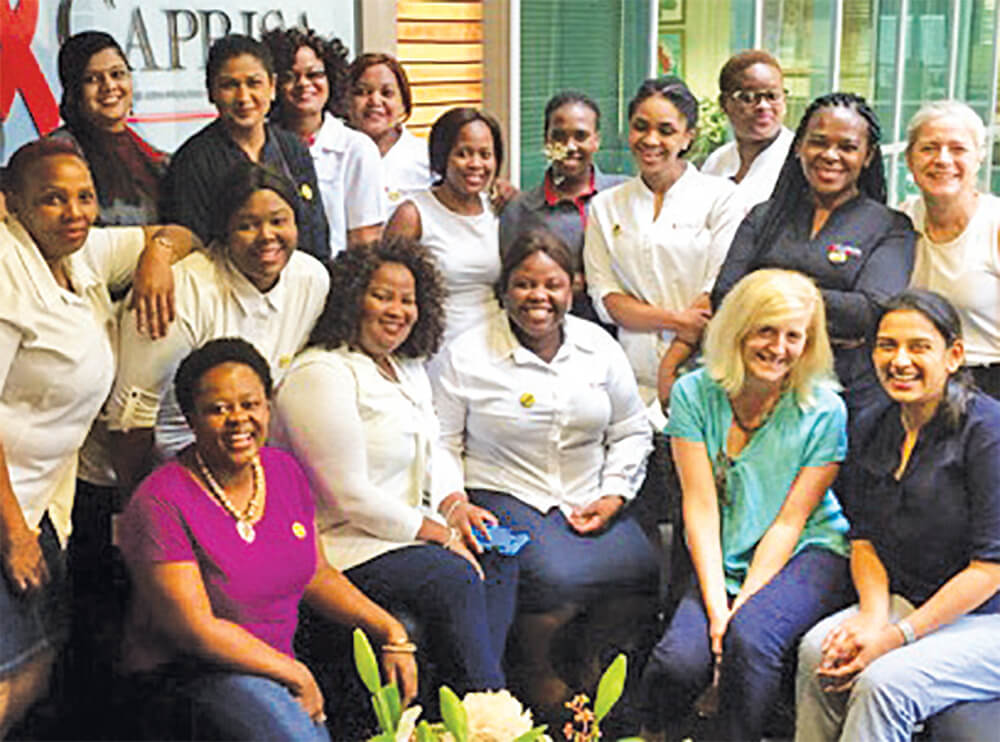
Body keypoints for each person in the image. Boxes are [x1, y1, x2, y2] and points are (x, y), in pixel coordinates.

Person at [114, 338, 417, 741]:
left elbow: (316, 573)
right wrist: (293, 672)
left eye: (249, 404)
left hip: (272, 664)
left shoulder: (282, 470)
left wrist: (391, 631)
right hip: (192, 674)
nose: (238, 419)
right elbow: (194, 629)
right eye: (218, 409)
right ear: (190, 418)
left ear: (268, 406)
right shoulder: (160, 500)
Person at [0, 138, 192, 736]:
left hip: (43, 500)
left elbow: (178, 231)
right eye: (52, 200)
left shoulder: (81, 256)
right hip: (11, 508)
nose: (74, 212)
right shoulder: (7, 271)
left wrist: (156, 255)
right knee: (13, 676)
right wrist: (13, 534)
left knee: (38, 664)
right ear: (12, 204)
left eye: (84, 197)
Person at [272, 239, 515, 700]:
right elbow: (349, 496)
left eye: (408, 300)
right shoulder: (321, 373)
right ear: (352, 297)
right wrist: (440, 535)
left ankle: (465, 703)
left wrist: (455, 506)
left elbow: (436, 446)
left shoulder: (407, 368)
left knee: (500, 549)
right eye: (383, 295)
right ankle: (491, 712)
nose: (398, 310)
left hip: (410, 532)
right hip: (347, 545)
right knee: (453, 575)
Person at [432, 229, 659, 709]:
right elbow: (440, 441)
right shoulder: (466, 354)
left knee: (642, 568)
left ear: (572, 287)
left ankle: (590, 672)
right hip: (506, 493)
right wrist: (454, 503)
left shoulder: (599, 346)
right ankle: (540, 680)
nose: (539, 297)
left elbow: (631, 430)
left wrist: (615, 494)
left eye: (552, 285)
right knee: (554, 577)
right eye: (524, 284)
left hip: (590, 492)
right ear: (504, 289)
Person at [637, 269, 851, 741]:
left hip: (805, 548)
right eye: (765, 330)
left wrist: (738, 614)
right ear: (738, 329)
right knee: (678, 662)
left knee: (750, 641)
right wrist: (717, 613)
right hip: (722, 543)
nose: (778, 348)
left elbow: (789, 522)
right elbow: (700, 507)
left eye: (794, 336)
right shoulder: (695, 393)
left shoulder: (825, 410)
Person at [796, 289, 1000, 742]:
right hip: (914, 599)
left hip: (989, 616)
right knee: (819, 653)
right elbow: (864, 539)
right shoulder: (875, 422)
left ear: (954, 356)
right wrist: (871, 618)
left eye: (918, 346)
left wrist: (896, 635)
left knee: (881, 685)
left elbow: (989, 570)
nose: (900, 360)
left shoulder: (988, 432)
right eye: (887, 346)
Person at [107, 162, 329, 489]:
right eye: (247, 225)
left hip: (249, 463)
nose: (267, 236)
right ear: (224, 229)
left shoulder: (312, 279)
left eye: (279, 221)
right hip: (169, 471)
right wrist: (139, 504)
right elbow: (132, 419)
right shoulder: (184, 290)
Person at [711, 92, 915, 414]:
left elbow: (869, 311)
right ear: (799, 147)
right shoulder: (763, 217)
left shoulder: (891, 227)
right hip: (754, 383)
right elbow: (724, 296)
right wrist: (832, 303)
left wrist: (762, 297)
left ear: (868, 156)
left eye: (847, 147)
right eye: (818, 142)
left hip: (845, 392)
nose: (830, 155)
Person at [583, 76, 741, 411]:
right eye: (641, 127)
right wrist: (677, 321)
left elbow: (718, 289)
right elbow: (605, 297)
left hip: (704, 370)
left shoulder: (721, 198)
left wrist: (671, 363)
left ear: (688, 137)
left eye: (666, 130)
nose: (650, 140)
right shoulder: (605, 205)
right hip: (630, 376)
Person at [161, 34, 330, 263]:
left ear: (271, 87)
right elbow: (193, 249)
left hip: (296, 288)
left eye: (253, 83)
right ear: (211, 92)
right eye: (230, 85)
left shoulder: (293, 149)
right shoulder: (192, 162)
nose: (243, 97)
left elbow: (316, 236)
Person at [899, 101, 1000, 400]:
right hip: (918, 378)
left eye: (958, 149)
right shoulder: (902, 220)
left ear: (979, 158)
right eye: (929, 148)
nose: (942, 160)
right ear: (909, 158)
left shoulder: (994, 225)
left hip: (989, 384)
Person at [500, 91, 627, 323]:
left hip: (625, 331)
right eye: (558, 137)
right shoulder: (520, 210)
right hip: (549, 334)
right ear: (546, 141)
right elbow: (510, 286)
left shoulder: (623, 195)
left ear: (596, 140)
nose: (570, 146)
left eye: (581, 136)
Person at [384, 107, 505, 346]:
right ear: (442, 156)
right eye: (463, 153)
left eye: (485, 154)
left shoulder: (498, 209)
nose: (475, 164)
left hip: (496, 340)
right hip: (438, 346)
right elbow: (386, 289)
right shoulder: (413, 215)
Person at [263, 28, 384, 255]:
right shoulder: (261, 142)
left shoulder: (356, 148)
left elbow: (365, 241)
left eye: (314, 74)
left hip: (335, 279)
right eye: (290, 76)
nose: (303, 84)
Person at [51, 31, 168, 226]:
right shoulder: (58, 154)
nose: (109, 86)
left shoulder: (156, 158)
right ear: (73, 90)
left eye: (117, 74)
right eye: (92, 79)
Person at [701, 50, 793, 213]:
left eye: (772, 96)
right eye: (748, 97)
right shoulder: (716, 163)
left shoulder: (799, 162)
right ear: (724, 103)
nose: (763, 106)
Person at [346, 53, 432, 214]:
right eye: (362, 92)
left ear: (403, 104)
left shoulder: (428, 159)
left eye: (387, 93)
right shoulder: (335, 154)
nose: (375, 101)